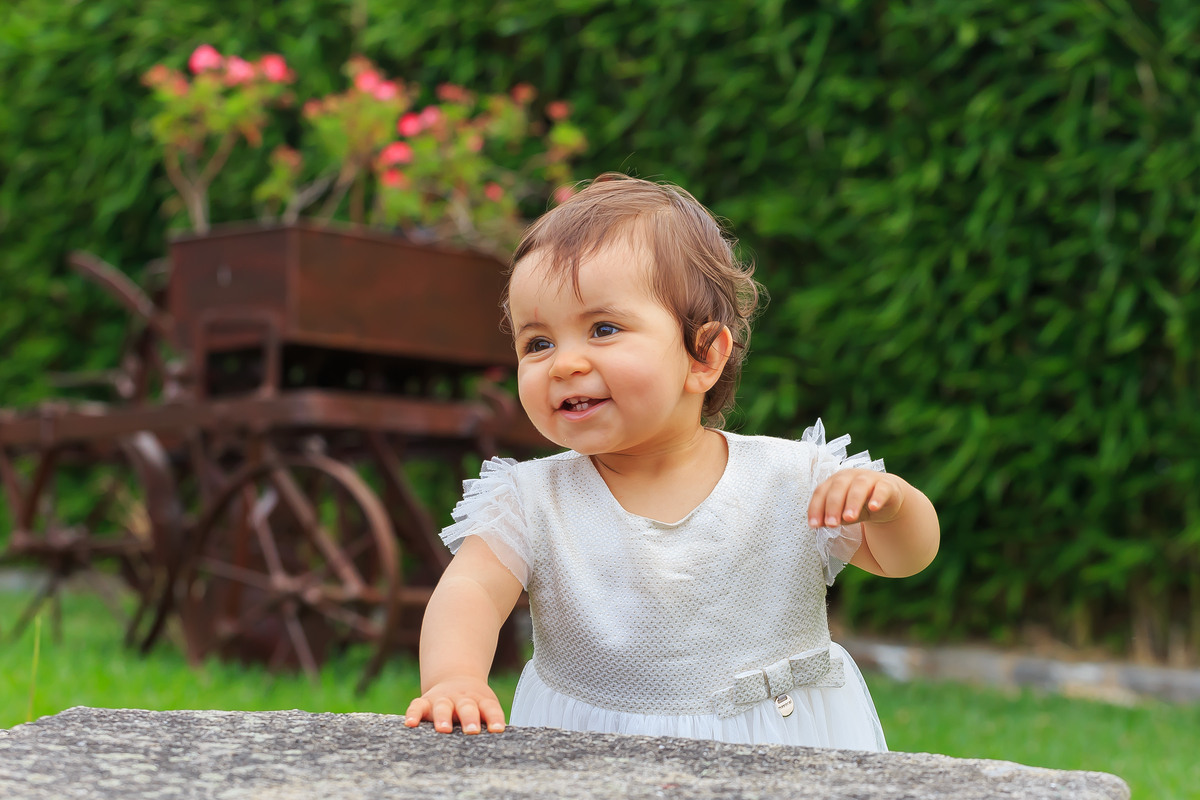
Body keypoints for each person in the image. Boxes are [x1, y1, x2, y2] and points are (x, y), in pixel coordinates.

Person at [404, 174, 940, 750]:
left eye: (603, 329)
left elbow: (903, 559)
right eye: (538, 343)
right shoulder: (534, 500)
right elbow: (472, 592)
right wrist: (454, 676)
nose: (563, 364)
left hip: (780, 740)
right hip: (589, 744)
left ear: (703, 356)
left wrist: (893, 506)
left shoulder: (790, 480)